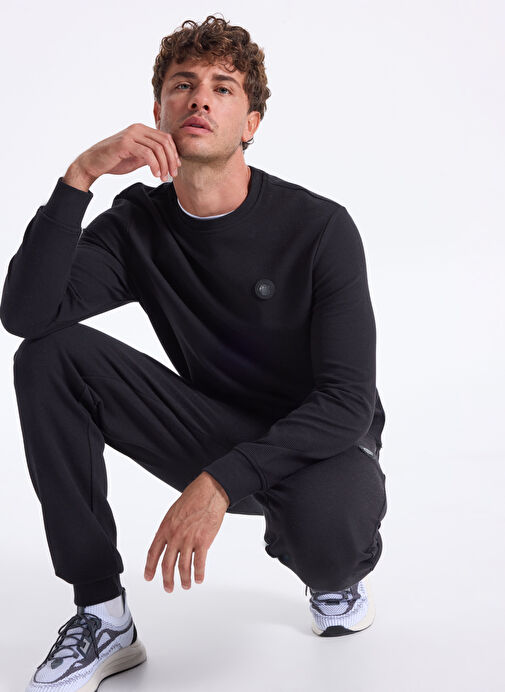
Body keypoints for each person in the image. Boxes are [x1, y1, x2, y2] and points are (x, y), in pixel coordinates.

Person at [0, 13, 387, 692]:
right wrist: (80, 177)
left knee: (331, 534)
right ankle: (102, 615)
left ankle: (332, 577)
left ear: (251, 122)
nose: (199, 99)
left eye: (222, 87)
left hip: (318, 446)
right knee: (47, 356)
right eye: (183, 85)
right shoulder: (137, 225)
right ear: (159, 113)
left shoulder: (318, 227)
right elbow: (26, 316)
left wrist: (218, 483)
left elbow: (347, 404)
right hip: (211, 428)